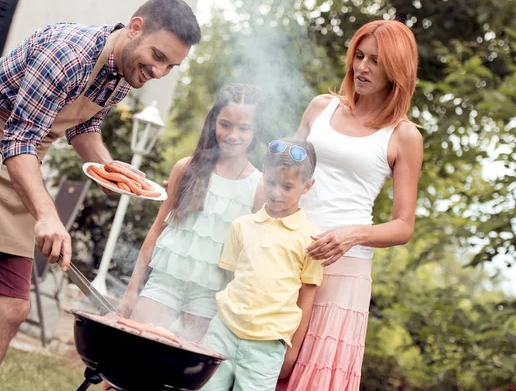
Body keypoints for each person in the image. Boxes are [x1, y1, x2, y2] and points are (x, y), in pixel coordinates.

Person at [0, 0, 200, 391]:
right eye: (157, 56)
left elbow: (82, 127)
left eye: (171, 65)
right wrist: (48, 214)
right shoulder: (67, 54)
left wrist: (110, 165)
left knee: (11, 309)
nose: (159, 70)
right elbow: (19, 138)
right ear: (135, 28)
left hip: (17, 163)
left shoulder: (122, 71)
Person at [276, 20, 423, 390]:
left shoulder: (404, 136)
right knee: (262, 360)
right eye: (359, 56)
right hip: (287, 248)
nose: (362, 67)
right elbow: (279, 171)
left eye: (376, 61)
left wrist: (351, 236)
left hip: (342, 268)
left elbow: (403, 225)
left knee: (312, 372)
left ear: (397, 70)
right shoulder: (321, 108)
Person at [117, 84, 265, 341]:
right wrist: (132, 291)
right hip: (165, 284)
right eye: (225, 124)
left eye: (244, 128)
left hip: (210, 297)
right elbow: (156, 230)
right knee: (130, 352)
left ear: (256, 130)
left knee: (178, 369)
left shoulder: (259, 187)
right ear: (213, 123)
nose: (232, 135)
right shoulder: (186, 168)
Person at [199, 138, 323, 391]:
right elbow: (230, 279)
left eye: (288, 186)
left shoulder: (311, 239)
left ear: (307, 186)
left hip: (267, 345)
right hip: (222, 332)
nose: (277, 192)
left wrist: (293, 351)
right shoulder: (242, 226)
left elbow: (306, 299)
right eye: (271, 182)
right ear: (263, 174)